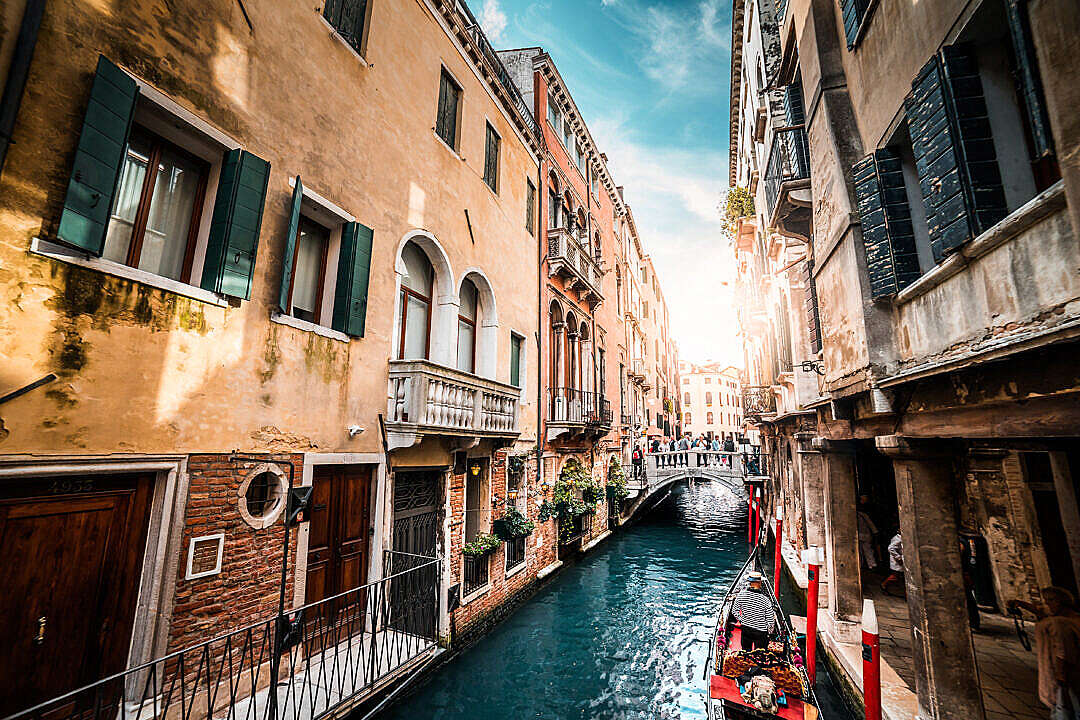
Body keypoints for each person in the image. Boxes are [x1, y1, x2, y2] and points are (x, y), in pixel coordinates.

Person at [1008, 587, 1080, 719]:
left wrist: (1060, 674)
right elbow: (1041, 611)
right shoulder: (1062, 617)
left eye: (1049, 601)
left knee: (1065, 709)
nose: (1046, 604)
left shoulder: (1059, 623)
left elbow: (1063, 651)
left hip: (1065, 674)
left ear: (1059, 602)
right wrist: (1020, 603)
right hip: (1066, 673)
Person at [734, 571, 775, 650]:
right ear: (760, 583)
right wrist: (769, 632)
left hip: (746, 629)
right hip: (761, 632)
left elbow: (735, 611)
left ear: (749, 582)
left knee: (746, 652)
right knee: (760, 655)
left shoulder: (741, 595)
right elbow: (770, 621)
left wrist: (743, 620)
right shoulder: (765, 600)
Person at [857, 495, 880, 571]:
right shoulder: (862, 513)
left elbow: (870, 523)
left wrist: (875, 531)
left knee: (864, 550)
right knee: (866, 550)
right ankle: (871, 564)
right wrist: (875, 531)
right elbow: (870, 523)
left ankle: (865, 564)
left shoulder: (862, 513)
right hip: (863, 534)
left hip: (863, 534)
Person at [881, 530, 904, 596]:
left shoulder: (899, 538)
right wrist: (898, 557)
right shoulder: (898, 539)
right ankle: (883, 585)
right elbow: (891, 548)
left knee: (898, 576)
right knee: (895, 575)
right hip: (897, 561)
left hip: (899, 560)